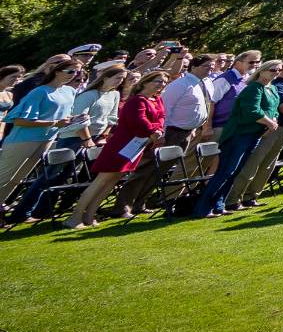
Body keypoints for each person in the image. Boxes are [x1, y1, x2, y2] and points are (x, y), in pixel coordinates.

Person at [72, 70, 167, 227]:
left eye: (164, 82)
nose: (161, 84)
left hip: (137, 146)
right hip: (121, 146)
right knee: (102, 180)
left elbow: (161, 117)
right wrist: (153, 131)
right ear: (145, 82)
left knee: (112, 181)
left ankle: (89, 215)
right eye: (158, 81)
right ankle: (75, 217)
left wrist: (157, 130)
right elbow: (138, 122)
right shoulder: (137, 100)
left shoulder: (157, 100)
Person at [198, 62, 282, 216]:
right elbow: (252, 111)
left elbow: (273, 109)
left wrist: (273, 121)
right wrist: (269, 123)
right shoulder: (254, 88)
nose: (276, 72)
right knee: (226, 170)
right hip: (239, 134)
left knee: (235, 171)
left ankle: (219, 205)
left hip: (254, 134)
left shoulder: (272, 88)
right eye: (272, 70)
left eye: (279, 70)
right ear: (262, 71)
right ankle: (203, 208)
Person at [0, 59, 80, 203]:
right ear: (57, 71)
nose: (74, 75)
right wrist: (54, 123)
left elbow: (63, 117)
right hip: (23, 140)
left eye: (77, 72)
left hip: (47, 140)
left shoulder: (70, 91)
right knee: (4, 177)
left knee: (17, 179)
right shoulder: (40, 91)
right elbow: (19, 120)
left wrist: (75, 119)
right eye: (70, 71)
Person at [160, 54, 217, 162]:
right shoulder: (181, 84)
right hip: (172, 132)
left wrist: (193, 128)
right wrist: (162, 133)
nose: (210, 69)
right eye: (206, 66)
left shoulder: (207, 83)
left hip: (188, 132)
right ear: (194, 67)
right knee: (156, 165)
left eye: (212, 67)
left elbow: (204, 105)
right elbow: (165, 108)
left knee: (169, 164)